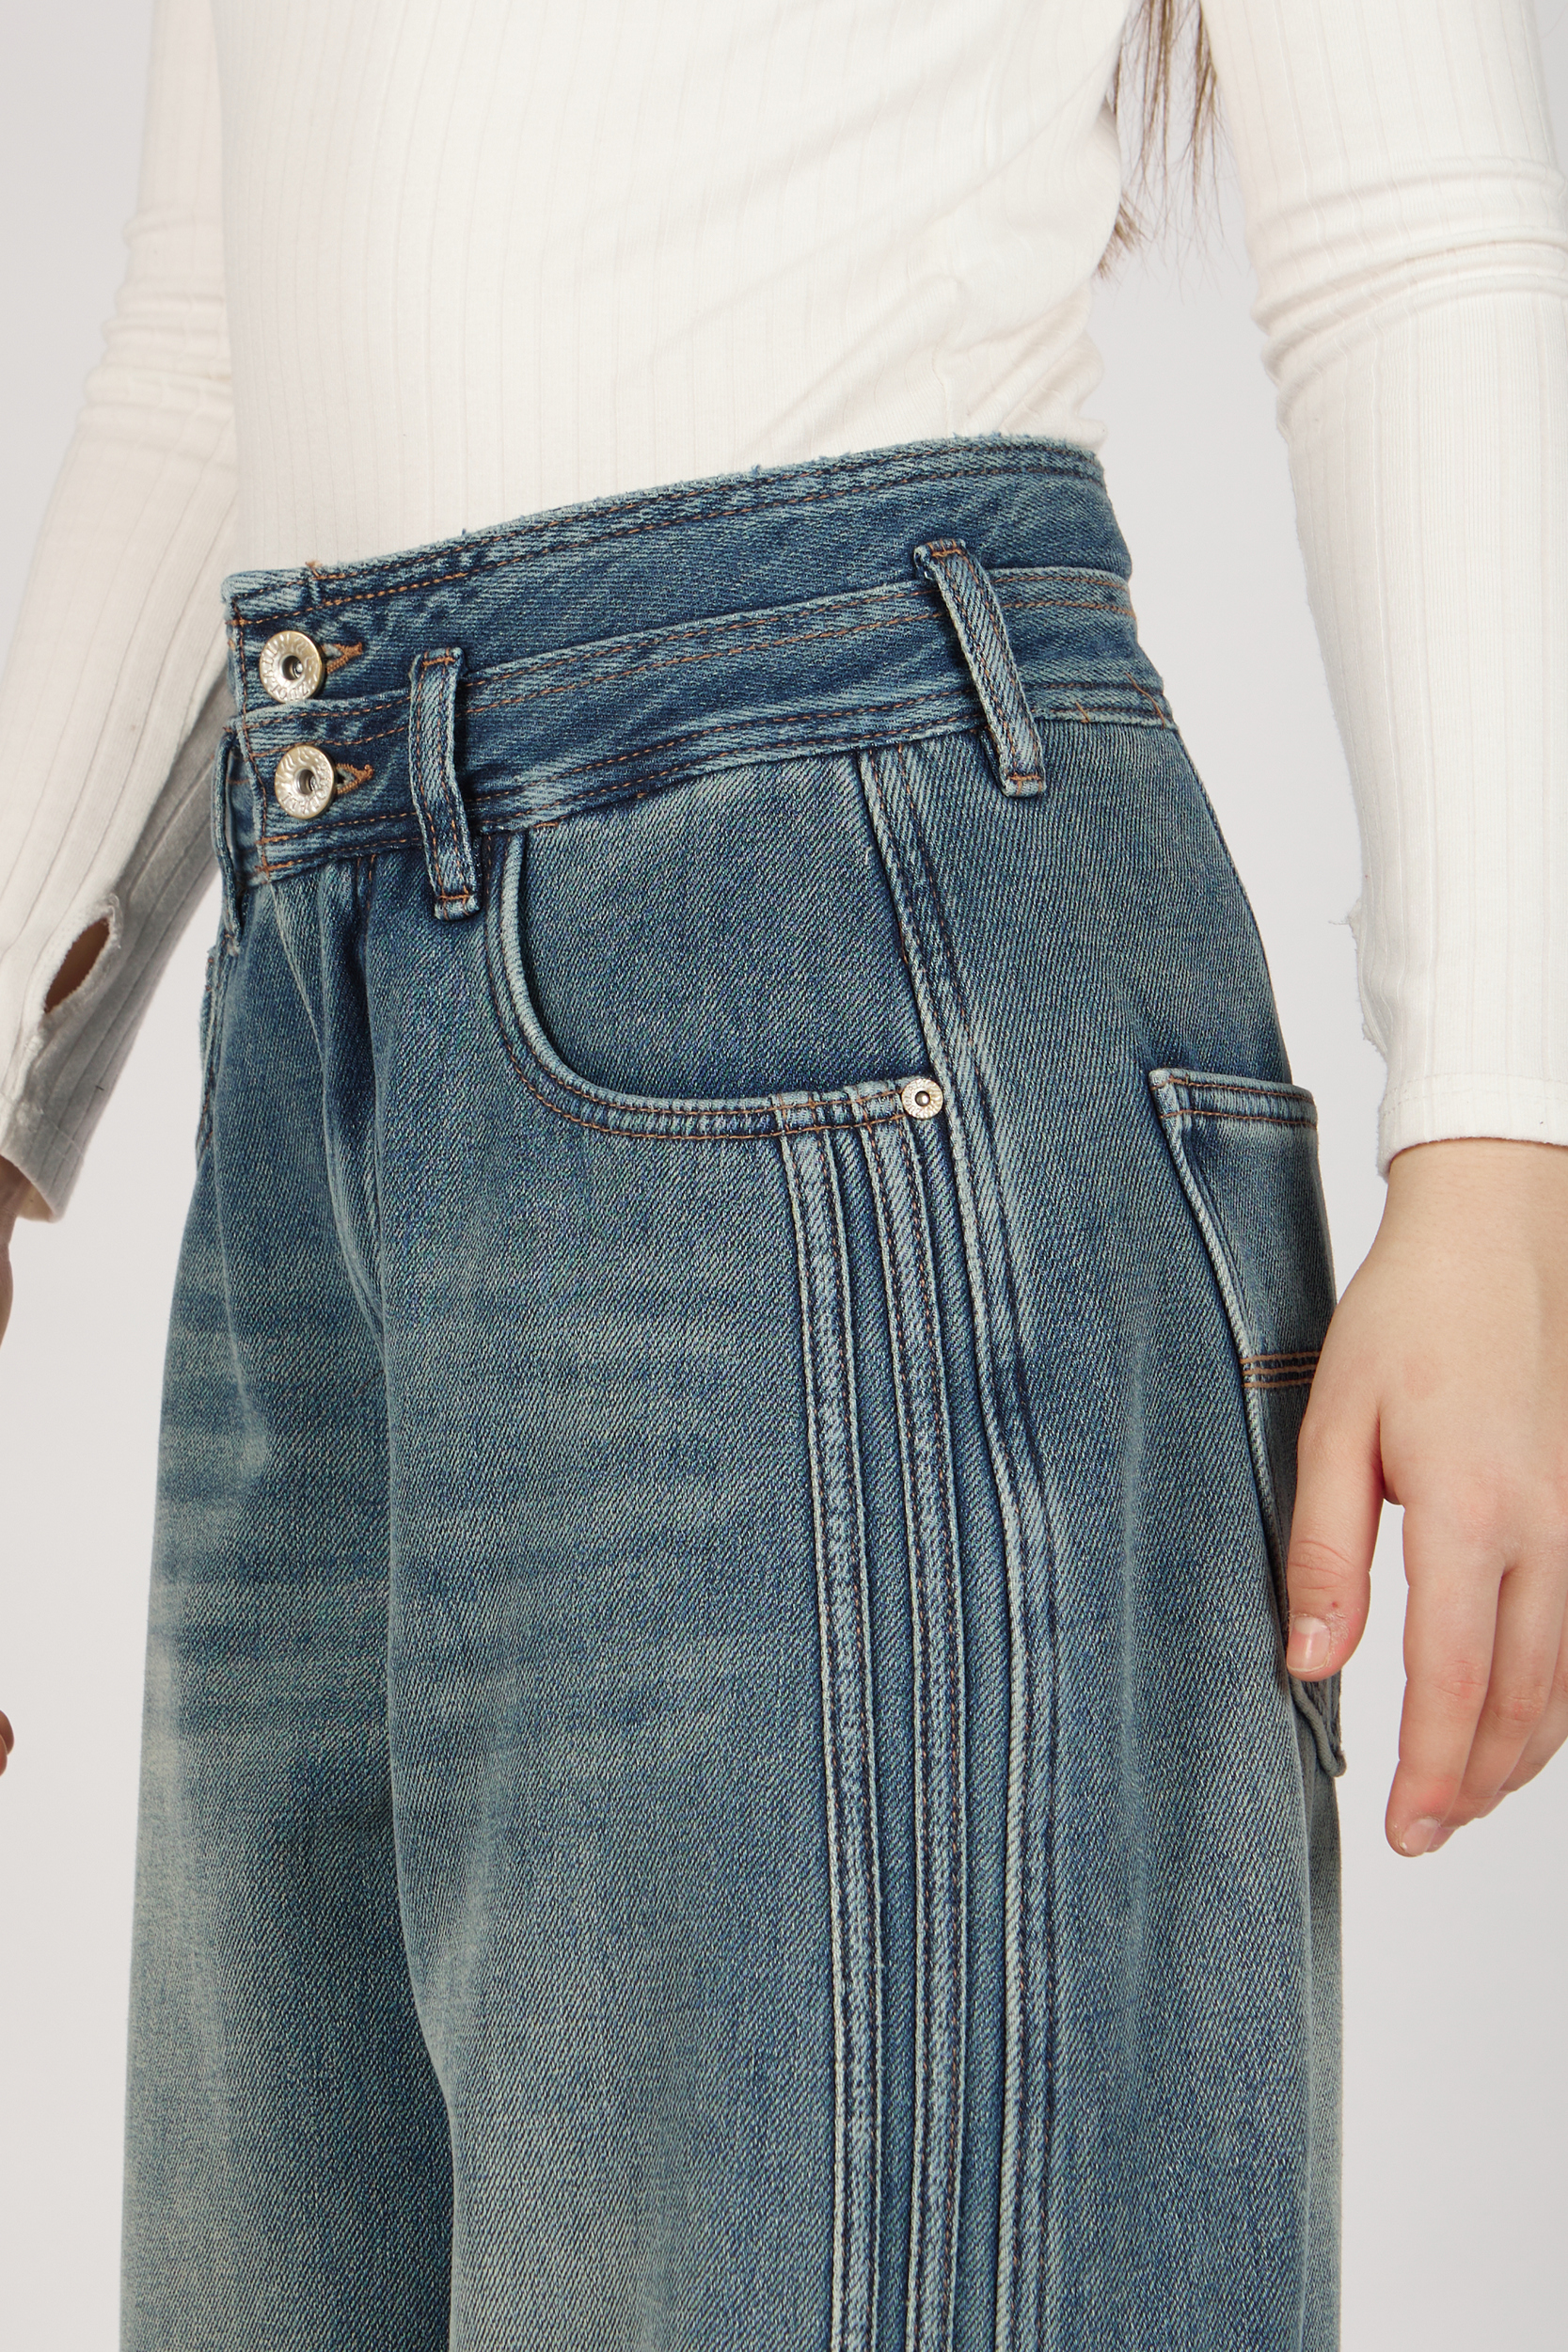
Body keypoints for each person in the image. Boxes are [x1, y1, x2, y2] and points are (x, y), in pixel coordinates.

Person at [1, 0, 1564, 2344]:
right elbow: (212, 334)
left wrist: (1500, 1141)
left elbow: (1413, 226)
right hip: (328, 973)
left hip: (829, 963)